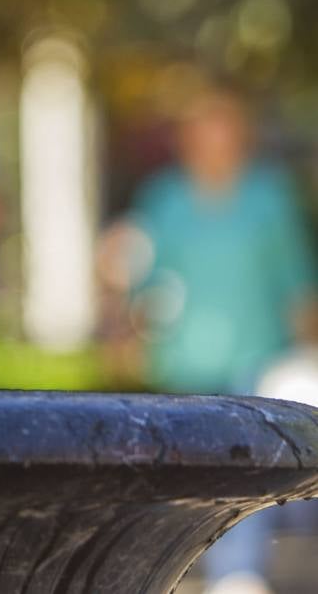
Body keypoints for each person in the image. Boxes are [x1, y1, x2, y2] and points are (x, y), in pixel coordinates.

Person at [99, 78, 318, 594]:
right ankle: (186, 567)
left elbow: (296, 281)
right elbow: (141, 277)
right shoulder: (165, 198)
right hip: (183, 360)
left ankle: (238, 572)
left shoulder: (268, 198)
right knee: (191, 473)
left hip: (254, 356)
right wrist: (121, 323)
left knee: (247, 466)